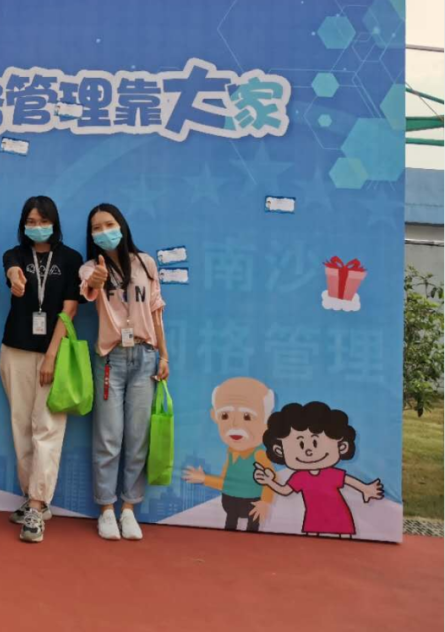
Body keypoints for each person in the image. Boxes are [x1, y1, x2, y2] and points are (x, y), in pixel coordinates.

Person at [79, 203, 169, 540]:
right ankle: (106, 509)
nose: (104, 232)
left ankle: (129, 508)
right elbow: (88, 290)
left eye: (109, 224)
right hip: (110, 360)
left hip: (145, 357)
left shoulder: (145, 263)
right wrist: (96, 280)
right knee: (108, 437)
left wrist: (164, 355)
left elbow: (157, 311)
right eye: (97, 228)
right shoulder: (91, 267)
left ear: (122, 225)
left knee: (137, 437)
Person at [0, 196, 83, 543]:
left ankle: (37, 505)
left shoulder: (71, 259)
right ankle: (32, 496)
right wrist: (15, 278)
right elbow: (11, 271)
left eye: (43, 221)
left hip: (54, 354)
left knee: (47, 427)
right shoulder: (15, 255)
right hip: (15, 350)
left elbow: (70, 309)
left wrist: (51, 355)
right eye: (31, 222)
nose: (37, 227)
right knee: (21, 426)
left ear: (54, 222)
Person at [254, 402, 383, 538]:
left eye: (315, 442)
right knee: (312, 540)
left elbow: (349, 481)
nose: (308, 451)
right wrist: (269, 481)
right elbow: (285, 490)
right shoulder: (299, 477)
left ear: (342, 447)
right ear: (279, 451)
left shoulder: (331, 474)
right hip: (314, 516)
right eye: (301, 444)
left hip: (338, 514)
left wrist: (366, 489)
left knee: (344, 536)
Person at [182, 377, 276, 532]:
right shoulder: (231, 454)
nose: (235, 425)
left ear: (267, 421)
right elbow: (226, 482)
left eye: (247, 416)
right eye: (225, 415)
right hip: (231, 502)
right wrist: (204, 479)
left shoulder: (259, 455)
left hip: (253, 502)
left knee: (252, 531)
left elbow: (271, 479)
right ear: (215, 416)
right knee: (230, 527)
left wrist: (265, 502)